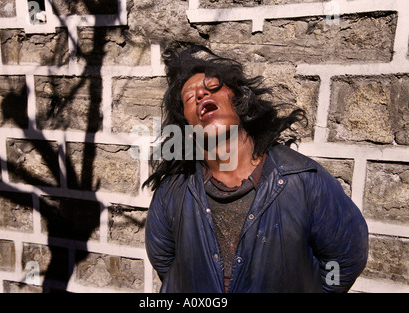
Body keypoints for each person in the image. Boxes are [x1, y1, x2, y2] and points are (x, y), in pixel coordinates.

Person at [143, 44, 369, 293]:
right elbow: (166, 264)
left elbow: (345, 259)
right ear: (186, 124)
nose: (200, 95)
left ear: (238, 101)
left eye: (212, 88)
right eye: (189, 97)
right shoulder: (173, 191)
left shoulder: (302, 179)